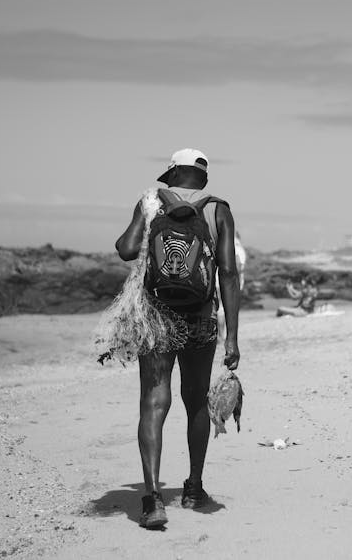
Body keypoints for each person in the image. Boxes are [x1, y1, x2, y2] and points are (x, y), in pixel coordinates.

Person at [115, 148, 240, 529]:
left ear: (172, 174)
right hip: (201, 319)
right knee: (197, 402)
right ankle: (193, 488)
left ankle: (153, 500)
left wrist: (145, 214)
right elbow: (229, 272)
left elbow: (126, 249)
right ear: (202, 178)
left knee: (154, 403)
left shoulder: (152, 201)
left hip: (156, 318)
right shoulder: (218, 210)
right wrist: (232, 336)